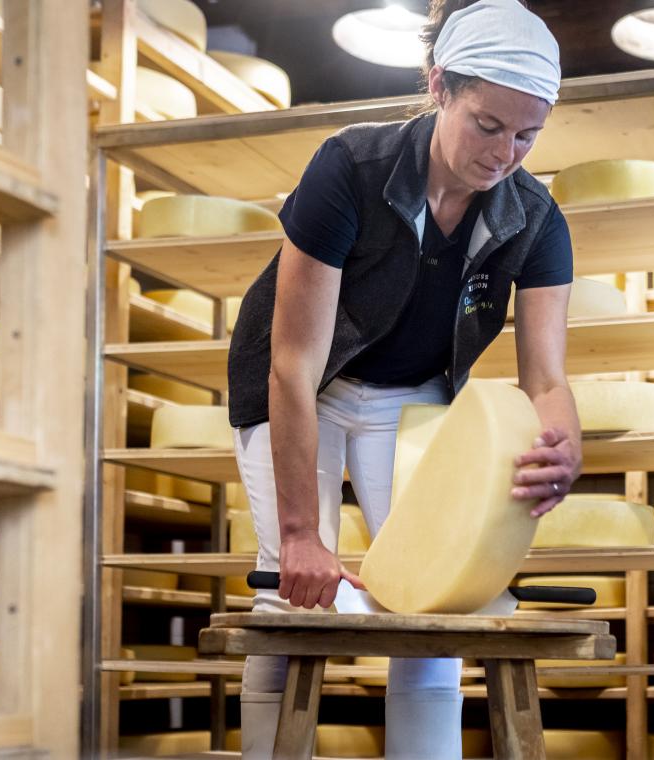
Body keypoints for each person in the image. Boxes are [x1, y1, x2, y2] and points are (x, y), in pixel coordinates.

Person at [225, 0, 580, 755]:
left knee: (435, 602)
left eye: (527, 134)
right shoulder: (350, 168)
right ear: (438, 85)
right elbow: (294, 365)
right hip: (301, 385)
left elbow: (546, 377)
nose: (505, 153)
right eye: (488, 125)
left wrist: (565, 444)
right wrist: (300, 536)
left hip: (413, 397)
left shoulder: (538, 218)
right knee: (295, 597)